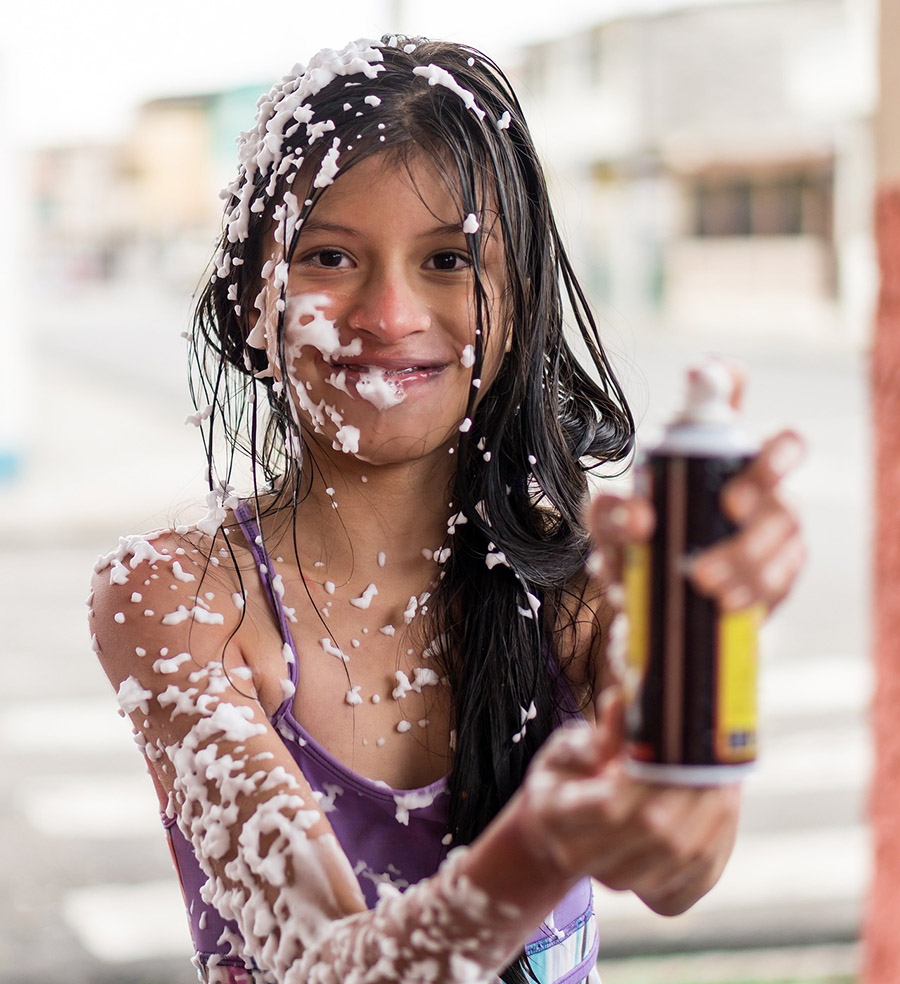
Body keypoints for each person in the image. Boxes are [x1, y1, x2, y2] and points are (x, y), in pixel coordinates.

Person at [89, 36, 805, 984]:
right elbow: (324, 965)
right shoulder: (177, 598)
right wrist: (540, 843)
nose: (389, 313)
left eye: (447, 260)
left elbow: (682, 871)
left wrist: (705, 656)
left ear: (518, 308)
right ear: (249, 301)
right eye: (332, 255)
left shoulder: (581, 591)